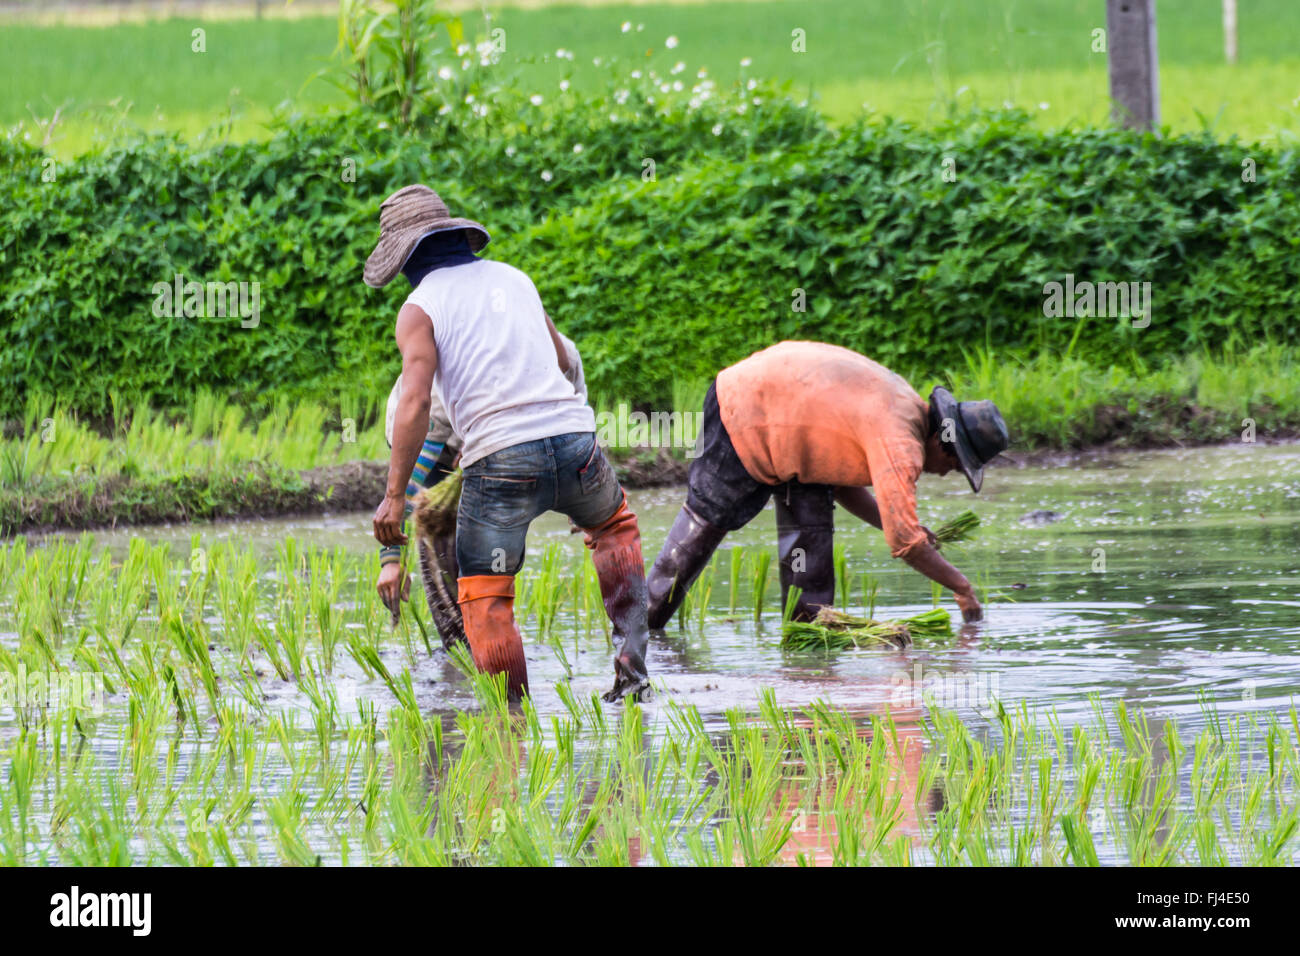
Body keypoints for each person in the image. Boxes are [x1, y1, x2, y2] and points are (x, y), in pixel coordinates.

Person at [365, 184, 650, 702]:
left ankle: (510, 716)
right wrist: (580, 458)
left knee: (486, 594)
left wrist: (390, 514)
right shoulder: (514, 279)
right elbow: (566, 361)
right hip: (574, 439)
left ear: (406, 259)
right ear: (457, 239)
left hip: (500, 463)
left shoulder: (419, 309)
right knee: (615, 531)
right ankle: (633, 677)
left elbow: (415, 406)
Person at [646, 341, 1009, 629]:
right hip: (748, 405)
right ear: (942, 442)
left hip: (797, 427)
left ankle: (809, 649)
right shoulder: (901, 442)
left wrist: (895, 522)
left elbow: (843, 483)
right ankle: (637, 629)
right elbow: (904, 543)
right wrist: (962, 588)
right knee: (705, 525)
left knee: (811, 558)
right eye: (953, 465)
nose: (946, 473)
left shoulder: (906, 409)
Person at [374, 335, 589, 649]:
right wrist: (391, 559)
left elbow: (575, 439)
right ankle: (458, 654)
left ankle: (494, 648)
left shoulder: (564, 361)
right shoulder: (446, 382)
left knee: (493, 560)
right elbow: (408, 484)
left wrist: (581, 508)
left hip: (497, 442)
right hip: (427, 439)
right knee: (444, 558)